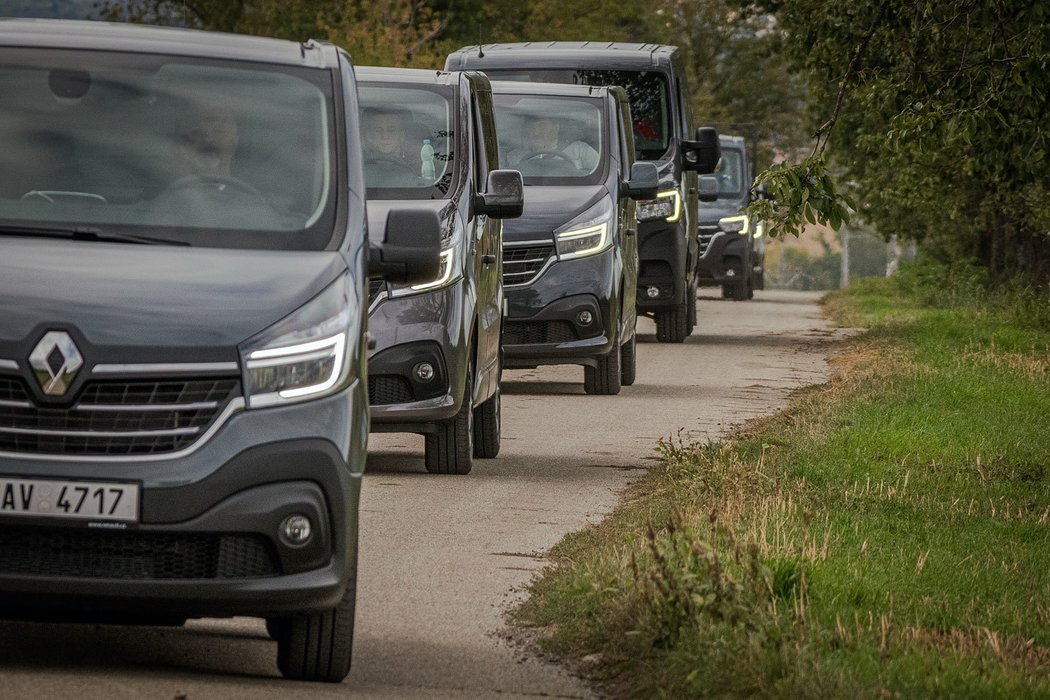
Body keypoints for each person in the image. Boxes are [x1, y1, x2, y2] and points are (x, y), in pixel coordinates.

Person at [505, 115, 599, 173]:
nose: (536, 133)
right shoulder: (513, 157)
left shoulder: (581, 151)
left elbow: (598, 177)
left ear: (555, 127)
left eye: (542, 126)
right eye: (531, 127)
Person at [175, 105, 240, 177]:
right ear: (186, 145)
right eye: (199, 133)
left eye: (219, 132)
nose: (208, 140)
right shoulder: (166, 183)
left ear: (234, 142)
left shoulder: (252, 182)